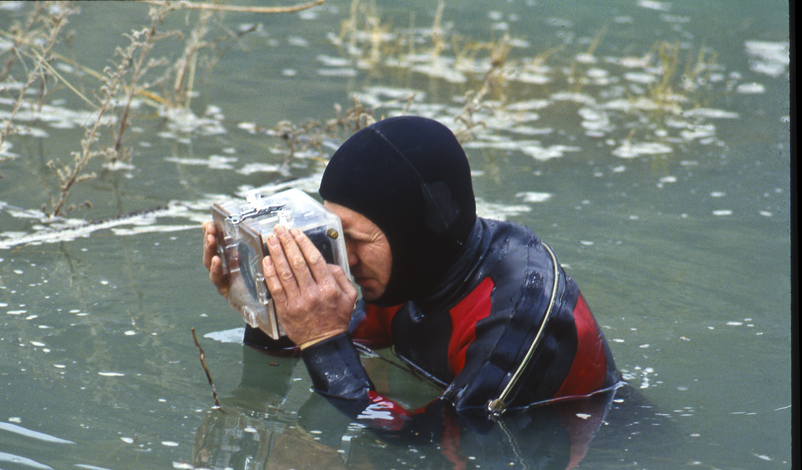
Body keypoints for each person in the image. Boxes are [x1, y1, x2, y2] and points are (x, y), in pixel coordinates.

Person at [202, 116, 623, 424]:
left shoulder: (516, 319)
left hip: (605, 462)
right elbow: (311, 347)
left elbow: (432, 453)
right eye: (333, 234)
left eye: (358, 240)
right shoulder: (406, 271)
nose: (342, 258)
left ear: (416, 236)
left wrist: (324, 340)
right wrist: (265, 304)